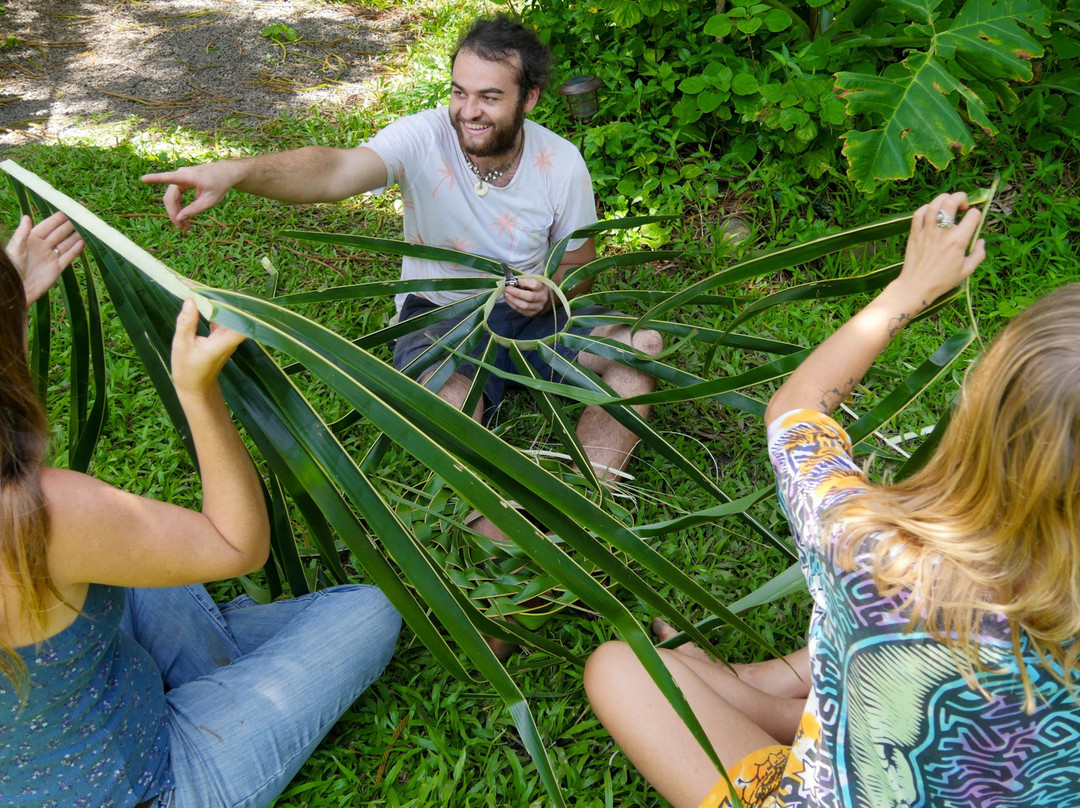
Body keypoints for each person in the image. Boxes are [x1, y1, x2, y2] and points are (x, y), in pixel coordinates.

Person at [584, 192, 1080, 807]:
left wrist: (911, 288)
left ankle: (767, 704)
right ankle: (767, 695)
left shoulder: (873, 550)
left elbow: (794, 411)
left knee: (619, 669)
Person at [141, 15, 663, 552]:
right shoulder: (425, 136)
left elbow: (578, 261)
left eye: (489, 96)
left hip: (529, 315)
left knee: (642, 351)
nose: (468, 111)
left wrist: (551, 290)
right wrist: (235, 171)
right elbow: (336, 170)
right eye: (460, 92)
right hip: (437, 315)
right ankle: (504, 526)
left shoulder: (561, 163)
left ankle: (584, 503)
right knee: (453, 406)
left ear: (528, 99)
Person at [0, 212, 401, 808]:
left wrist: (13, 306)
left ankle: (213, 677)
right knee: (370, 610)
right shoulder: (44, 513)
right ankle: (221, 686)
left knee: (124, 562)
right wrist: (198, 391)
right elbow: (238, 545)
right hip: (149, 783)